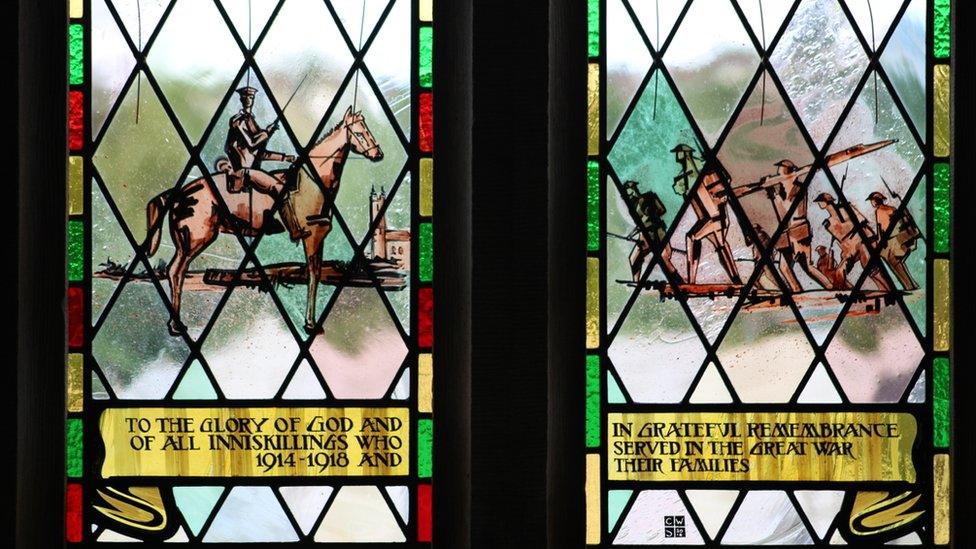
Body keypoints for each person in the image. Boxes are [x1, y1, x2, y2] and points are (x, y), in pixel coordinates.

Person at [221, 86, 296, 196]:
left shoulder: (252, 121)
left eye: (251, 97)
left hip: (252, 172)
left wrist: (285, 158)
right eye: (245, 97)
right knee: (281, 190)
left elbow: (260, 154)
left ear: (253, 99)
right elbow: (252, 144)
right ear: (241, 99)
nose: (248, 99)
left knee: (285, 179)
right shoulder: (237, 121)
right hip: (243, 173)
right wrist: (267, 132)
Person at [814, 192, 892, 291]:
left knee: (869, 266)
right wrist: (846, 252)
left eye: (820, 201)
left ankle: (887, 290)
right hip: (850, 249)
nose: (819, 204)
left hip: (863, 241)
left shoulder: (846, 208)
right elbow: (842, 240)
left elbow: (863, 224)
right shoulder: (828, 222)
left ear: (825, 202)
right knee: (839, 272)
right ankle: (843, 294)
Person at [623, 180, 677, 282]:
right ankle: (636, 283)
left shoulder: (649, 196)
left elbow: (662, 210)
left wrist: (651, 216)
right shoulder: (632, 208)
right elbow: (640, 224)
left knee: (663, 258)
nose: (630, 194)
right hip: (645, 235)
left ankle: (678, 282)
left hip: (657, 232)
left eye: (631, 189)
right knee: (634, 259)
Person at [867, 191, 920, 290]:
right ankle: (912, 284)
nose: (872, 203)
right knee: (898, 263)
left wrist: (879, 242)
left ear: (876, 201)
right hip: (904, 238)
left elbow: (881, 229)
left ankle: (909, 286)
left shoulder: (879, 211)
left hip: (893, 241)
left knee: (893, 261)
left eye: (872, 201)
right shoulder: (892, 209)